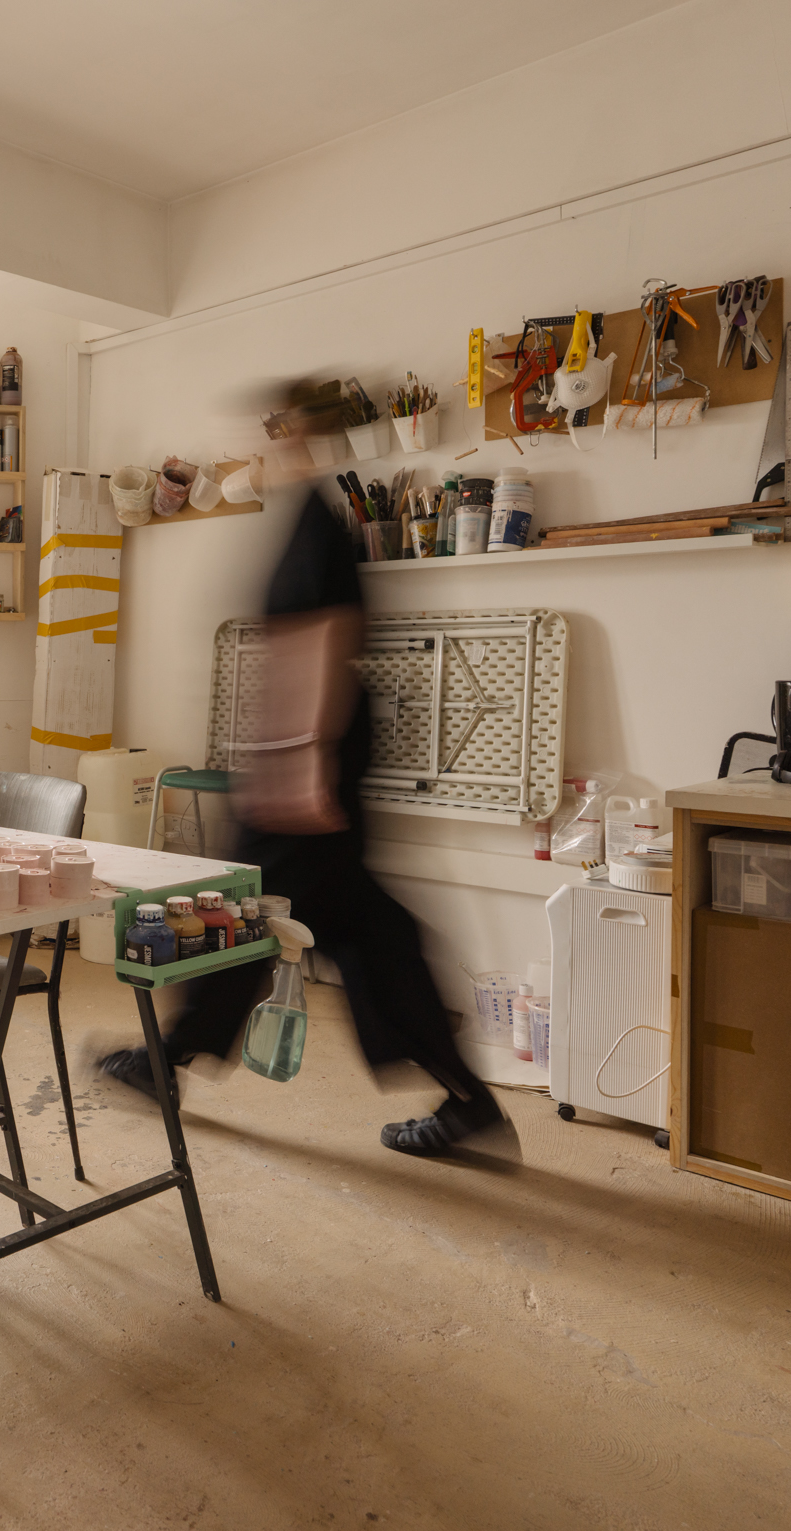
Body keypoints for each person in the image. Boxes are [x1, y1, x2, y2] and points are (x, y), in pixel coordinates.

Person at [98, 467, 502, 1155]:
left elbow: (330, 637)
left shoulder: (316, 523)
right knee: (349, 925)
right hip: (307, 748)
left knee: (248, 906)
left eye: (274, 432)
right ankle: (465, 1097)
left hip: (312, 752)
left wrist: (303, 759)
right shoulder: (305, 518)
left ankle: (169, 1059)